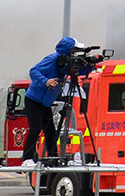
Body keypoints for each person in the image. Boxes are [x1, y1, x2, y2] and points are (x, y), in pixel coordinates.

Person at [20, 37, 81, 165]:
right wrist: (45, 81)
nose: (75, 52)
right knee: (35, 128)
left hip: (45, 103)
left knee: (50, 131)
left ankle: (53, 157)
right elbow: (33, 71)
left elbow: (79, 71)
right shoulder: (52, 59)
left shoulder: (65, 62)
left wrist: (91, 66)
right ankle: (27, 158)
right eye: (74, 49)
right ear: (68, 49)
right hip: (34, 100)